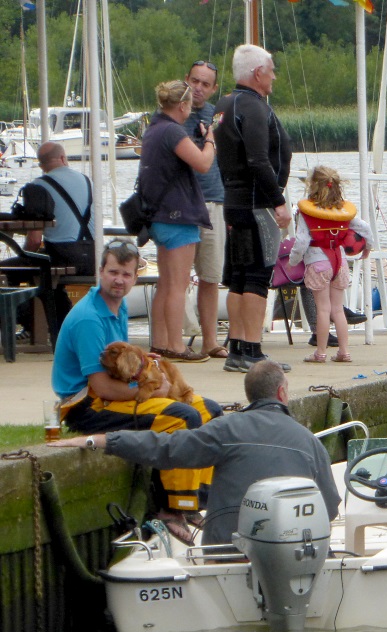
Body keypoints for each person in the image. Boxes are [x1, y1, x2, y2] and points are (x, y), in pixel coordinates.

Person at [51, 360, 341, 546]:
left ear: (249, 395)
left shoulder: (225, 430)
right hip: (289, 550)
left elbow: (164, 448)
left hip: (227, 550)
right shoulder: (310, 443)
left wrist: (100, 440)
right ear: (281, 394)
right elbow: (328, 510)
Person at [52, 239, 223, 535]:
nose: (119, 280)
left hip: (113, 393)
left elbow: (121, 369)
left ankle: (197, 502)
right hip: (86, 406)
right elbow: (102, 386)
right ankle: (172, 509)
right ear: (101, 272)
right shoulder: (89, 319)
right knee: (182, 417)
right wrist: (154, 392)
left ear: (135, 278)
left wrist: (146, 366)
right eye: (113, 272)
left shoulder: (116, 309)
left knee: (209, 411)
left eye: (126, 274)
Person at [213, 44, 292, 374]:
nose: (274, 75)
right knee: (258, 276)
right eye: (271, 69)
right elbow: (258, 159)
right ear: (258, 73)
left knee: (239, 277)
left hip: (234, 200)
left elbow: (223, 157)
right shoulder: (254, 107)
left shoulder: (225, 105)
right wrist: (279, 201)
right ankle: (254, 351)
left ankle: (238, 349)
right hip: (258, 204)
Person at [140, 80, 217, 363]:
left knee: (166, 282)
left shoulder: (154, 129)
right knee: (177, 284)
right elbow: (203, 163)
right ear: (183, 105)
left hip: (159, 216)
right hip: (177, 216)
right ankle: (175, 344)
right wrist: (210, 140)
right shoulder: (173, 131)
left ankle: (161, 342)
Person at [0, 141, 95, 331]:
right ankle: (59, 329)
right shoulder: (87, 180)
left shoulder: (38, 186)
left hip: (60, 256)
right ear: (63, 157)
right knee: (48, 282)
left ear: (41, 164)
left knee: (10, 269)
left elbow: (35, 240)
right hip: (92, 254)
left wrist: (25, 255)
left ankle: (29, 324)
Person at [289, 166, 373, 364]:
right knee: (337, 309)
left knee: (323, 310)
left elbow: (301, 242)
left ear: (312, 185)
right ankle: (344, 352)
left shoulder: (306, 212)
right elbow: (366, 228)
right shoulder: (342, 211)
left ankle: (320, 353)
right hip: (340, 262)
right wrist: (367, 248)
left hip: (318, 264)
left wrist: (293, 262)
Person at [183, 60, 228, 360]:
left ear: (213, 88)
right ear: (186, 80)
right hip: (183, 203)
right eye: (194, 81)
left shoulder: (216, 115)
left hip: (214, 200)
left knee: (210, 275)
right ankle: (175, 338)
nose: (198, 88)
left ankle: (210, 340)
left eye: (205, 84)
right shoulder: (175, 112)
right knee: (176, 277)